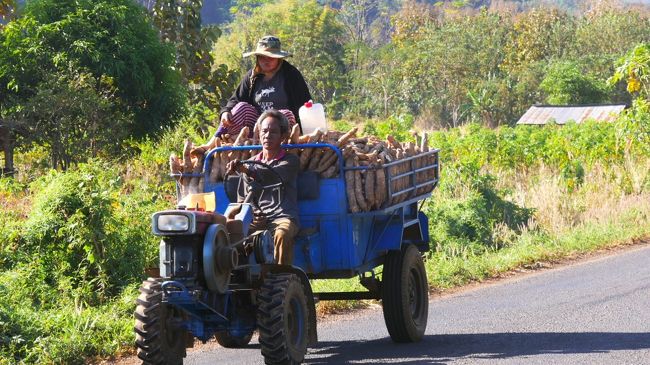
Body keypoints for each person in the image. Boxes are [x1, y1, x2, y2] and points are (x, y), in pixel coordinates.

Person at [226, 110, 300, 265]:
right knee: (229, 233)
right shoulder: (250, 162)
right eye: (264, 131)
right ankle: (238, 279)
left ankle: (282, 278)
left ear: (283, 136)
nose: (268, 135)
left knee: (283, 234)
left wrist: (246, 170)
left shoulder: (290, 161)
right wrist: (252, 214)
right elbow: (243, 198)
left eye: (273, 132)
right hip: (256, 218)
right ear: (259, 134)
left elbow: (272, 175)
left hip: (282, 217)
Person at [216, 35, 312, 139]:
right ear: (257, 57)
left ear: (278, 58)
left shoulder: (291, 75)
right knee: (242, 107)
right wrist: (225, 111)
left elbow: (305, 104)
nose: (266, 61)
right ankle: (215, 141)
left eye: (271, 57)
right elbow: (237, 99)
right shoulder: (252, 76)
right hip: (258, 125)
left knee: (285, 114)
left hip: (281, 128)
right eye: (262, 57)